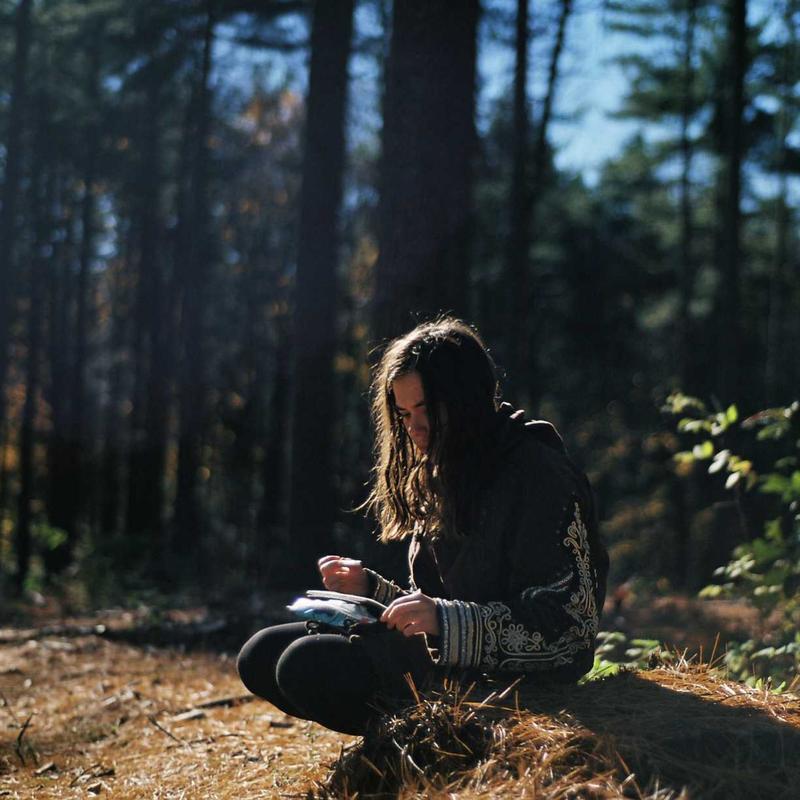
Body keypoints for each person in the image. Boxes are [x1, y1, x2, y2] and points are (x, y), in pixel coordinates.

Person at [237, 317, 608, 735]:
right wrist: (372, 591)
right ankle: (405, 745)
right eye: (404, 413)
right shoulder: (446, 469)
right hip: (449, 671)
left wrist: (444, 621)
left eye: (427, 410)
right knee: (261, 654)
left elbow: (569, 635)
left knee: (305, 665)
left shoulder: (539, 475)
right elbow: (438, 607)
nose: (414, 428)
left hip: (512, 691)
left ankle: (427, 746)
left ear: (467, 399)